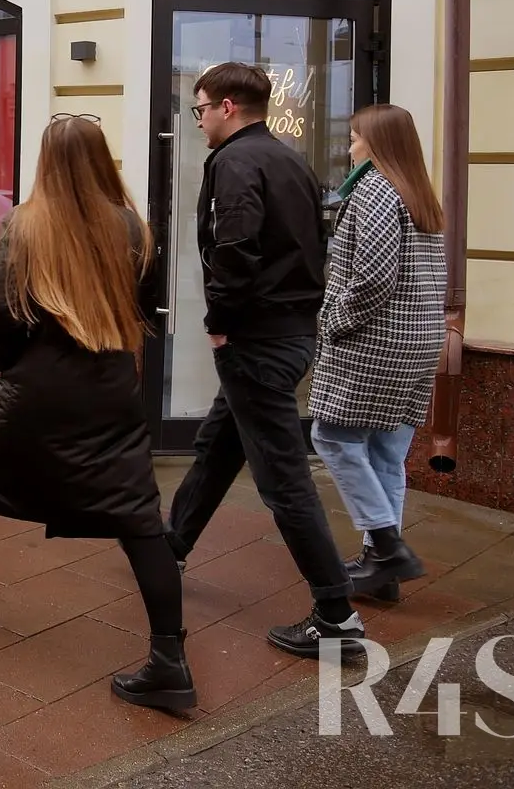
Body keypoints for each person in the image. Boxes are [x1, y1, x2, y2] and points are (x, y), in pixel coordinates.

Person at [0, 115, 195, 711]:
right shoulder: (132, 227)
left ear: (47, 162)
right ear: (100, 159)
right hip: (111, 383)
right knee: (138, 516)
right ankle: (170, 659)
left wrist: (14, 365)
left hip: (37, 385)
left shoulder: (26, 224)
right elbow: (146, 301)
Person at [165, 62, 363, 659]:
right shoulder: (289, 159)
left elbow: (236, 247)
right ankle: (169, 546)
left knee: (283, 479)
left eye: (199, 110)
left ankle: (336, 614)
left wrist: (221, 323)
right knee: (220, 445)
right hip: (290, 331)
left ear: (227, 106)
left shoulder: (235, 162)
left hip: (257, 338)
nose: (197, 121)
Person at [310, 104, 446, 602]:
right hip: (418, 341)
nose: (350, 147)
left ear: (378, 143)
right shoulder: (418, 193)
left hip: (375, 340)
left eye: (355, 138)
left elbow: (372, 279)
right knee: (388, 454)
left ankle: (386, 547)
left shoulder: (374, 191)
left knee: (333, 436)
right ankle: (381, 568)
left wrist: (330, 321)